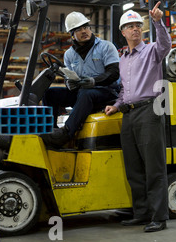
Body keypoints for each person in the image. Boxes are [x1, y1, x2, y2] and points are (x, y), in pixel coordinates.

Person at [105, 2, 171, 232]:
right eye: (130, 26)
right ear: (123, 32)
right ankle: (141, 213)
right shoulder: (124, 59)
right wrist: (116, 105)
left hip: (150, 111)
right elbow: (125, 90)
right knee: (134, 168)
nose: (135, 29)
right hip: (129, 114)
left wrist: (157, 21)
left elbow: (166, 44)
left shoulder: (153, 50)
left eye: (137, 26)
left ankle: (159, 217)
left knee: (154, 166)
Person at [42, 11, 120, 148]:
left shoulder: (106, 47)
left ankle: (66, 134)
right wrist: (69, 83)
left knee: (86, 93)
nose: (84, 31)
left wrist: (94, 81)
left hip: (106, 93)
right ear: (72, 34)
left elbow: (114, 73)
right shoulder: (69, 55)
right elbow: (69, 77)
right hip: (82, 94)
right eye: (78, 29)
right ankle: (50, 130)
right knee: (50, 93)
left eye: (86, 27)